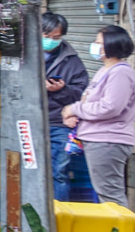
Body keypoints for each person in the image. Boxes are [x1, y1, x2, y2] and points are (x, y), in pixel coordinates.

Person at [62, 25, 135, 208]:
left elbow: (110, 107)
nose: (94, 46)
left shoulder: (121, 72)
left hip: (108, 140)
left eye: (98, 43)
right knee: (106, 193)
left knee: (110, 195)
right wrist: (74, 114)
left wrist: (75, 109)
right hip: (98, 139)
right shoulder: (106, 70)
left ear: (111, 46)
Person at [42, 12, 91, 202]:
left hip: (58, 125)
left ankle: (58, 215)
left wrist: (60, 90)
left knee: (59, 173)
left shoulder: (72, 61)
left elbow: (82, 94)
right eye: (46, 37)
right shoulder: (23, 54)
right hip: (27, 123)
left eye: (56, 38)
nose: (51, 41)